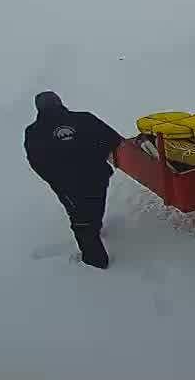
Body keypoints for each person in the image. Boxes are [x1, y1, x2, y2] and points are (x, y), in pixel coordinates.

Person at [23, 91, 122, 269]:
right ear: (59, 102)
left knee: (81, 222)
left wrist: (56, 181)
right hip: (97, 176)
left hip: (67, 186)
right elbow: (113, 139)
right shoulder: (84, 119)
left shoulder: (34, 131)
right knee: (95, 205)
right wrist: (97, 157)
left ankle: (95, 263)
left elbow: (36, 162)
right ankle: (95, 227)